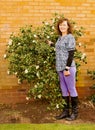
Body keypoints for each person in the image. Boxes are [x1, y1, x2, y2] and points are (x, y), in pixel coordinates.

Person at [54, 18, 79, 121]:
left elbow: (71, 53)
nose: (62, 27)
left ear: (68, 26)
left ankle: (74, 113)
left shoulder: (70, 37)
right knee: (64, 90)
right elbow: (60, 49)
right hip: (59, 68)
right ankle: (65, 112)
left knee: (71, 89)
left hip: (67, 69)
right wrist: (51, 43)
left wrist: (67, 68)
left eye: (64, 25)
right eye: (60, 25)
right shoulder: (60, 38)